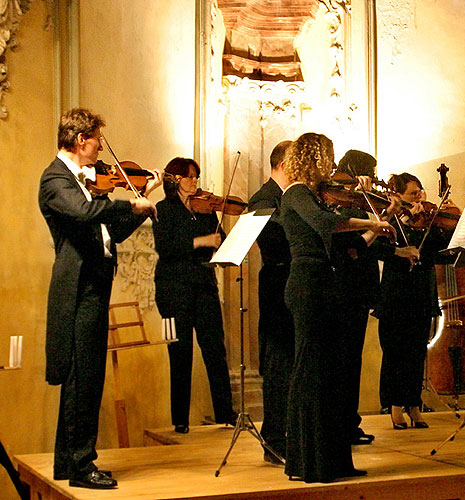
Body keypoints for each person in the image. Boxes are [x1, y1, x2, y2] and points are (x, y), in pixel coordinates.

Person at [39, 108, 160, 489]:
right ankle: (81, 466)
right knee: (83, 378)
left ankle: (66, 463)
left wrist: (143, 202)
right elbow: (85, 212)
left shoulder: (86, 183)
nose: (99, 151)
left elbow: (112, 233)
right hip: (78, 289)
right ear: (81, 140)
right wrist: (129, 203)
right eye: (96, 142)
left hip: (93, 284)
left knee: (85, 377)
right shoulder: (56, 180)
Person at [280, 132, 395, 483]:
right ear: (313, 158)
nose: (332, 165)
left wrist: (380, 221)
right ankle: (309, 463)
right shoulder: (297, 193)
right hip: (307, 286)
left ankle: (332, 460)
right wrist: (371, 221)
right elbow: (327, 225)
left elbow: (350, 244)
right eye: (328, 157)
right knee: (311, 375)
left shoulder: (317, 195)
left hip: (323, 286)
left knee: (329, 378)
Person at [331, 151, 420, 444]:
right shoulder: (341, 202)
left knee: (351, 360)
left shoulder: (361, 201)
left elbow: (375, 239)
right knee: (344, 360)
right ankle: (343, 423)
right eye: (370, 170)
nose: (375, 177)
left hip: (362, 287)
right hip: (346, 287)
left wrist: (389, 213)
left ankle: (349, 422)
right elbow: (359, 244)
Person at [152, 157, 236, 435]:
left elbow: (219, 237)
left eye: (196, 177)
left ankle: (225, 412)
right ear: (175, 179)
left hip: (204, 286)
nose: (194, 182)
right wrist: (201, 242)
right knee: (180, 352)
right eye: (189, 177)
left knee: (215, 349)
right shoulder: (163, 209)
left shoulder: (205, 210)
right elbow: (166, 247)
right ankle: (180, 419)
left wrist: (222, 244)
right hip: (173, 290)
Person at [373, 173, 452, 430]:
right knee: (396, 352)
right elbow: (379, 250)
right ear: (397, 196)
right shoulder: (387, 220)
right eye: (413, 194)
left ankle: (414, 405)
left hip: (421, 291)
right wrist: (403, 225)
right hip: (396, 293)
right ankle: (395, 406)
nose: (419, 198)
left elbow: (439, 252)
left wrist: (435, 224)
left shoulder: (426, 222)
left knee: (418, 352)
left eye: (420, 192)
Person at [247, 141, 294, 465]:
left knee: (290, 365)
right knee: (278, 365)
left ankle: (289, 435)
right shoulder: (264, 198)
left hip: (290, 285)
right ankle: (274, 440)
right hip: (277, 285)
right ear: (283, 164)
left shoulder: (288, 197)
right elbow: (275, 241)